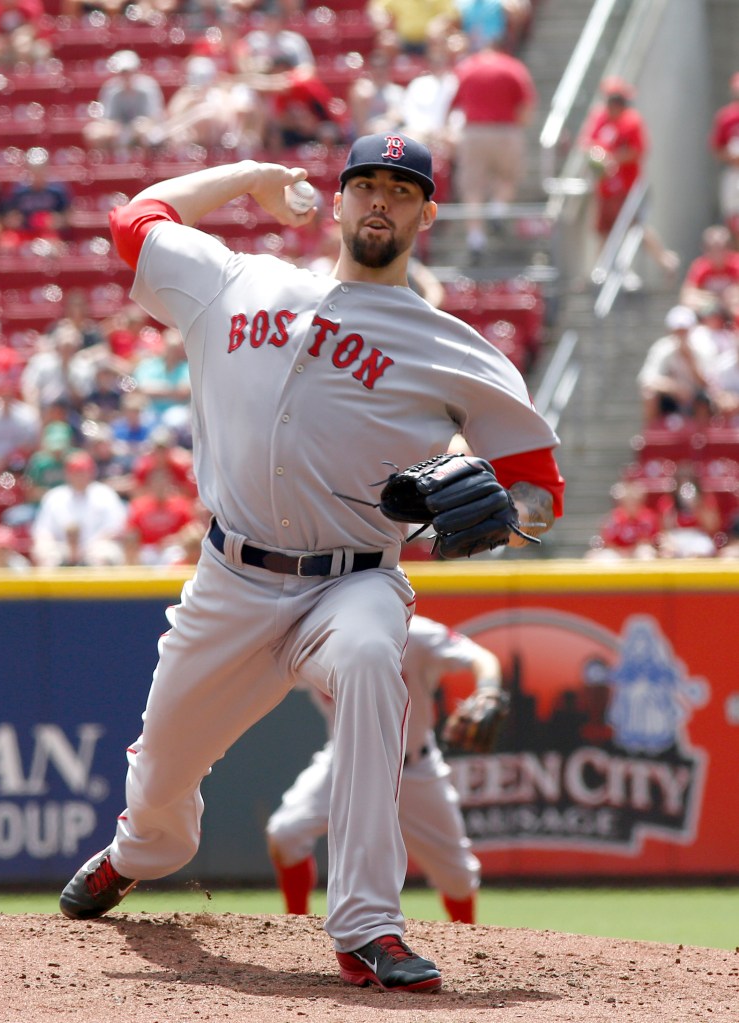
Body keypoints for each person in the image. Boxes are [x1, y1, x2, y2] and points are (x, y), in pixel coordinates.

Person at [57, 132, 563, 993]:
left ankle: (367, 926)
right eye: (365, 184)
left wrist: (495, 514)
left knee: (373, 657)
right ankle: (141, 850)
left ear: (426, 213)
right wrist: (252, 177)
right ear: (336, 202)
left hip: (355, 578)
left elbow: (541, 494)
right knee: (161, 789)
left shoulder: (452, 347)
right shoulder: (237, 279)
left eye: (401, 191)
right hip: (231, 581)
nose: (380, 201)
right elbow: (135, 219)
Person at [266, 613, 501, 923]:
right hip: (346, 763)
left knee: (457, 878)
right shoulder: (311, 637)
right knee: (285, 833)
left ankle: (474, 953)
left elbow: (482, 658)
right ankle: (295, 929)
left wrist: (487, 690)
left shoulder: (410, 631)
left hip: (413, 770)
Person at [581, 77, 679, 279]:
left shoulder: (631, 120)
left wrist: (613, 158)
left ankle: (663, 261)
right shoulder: (599, 118)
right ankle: (602, 271)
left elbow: (638, 150)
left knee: (634, 228)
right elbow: (588, 145)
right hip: (605, 187)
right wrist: (600, 159)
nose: (613, 104)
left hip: (627, 186)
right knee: (604, 230)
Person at [448, 40, 536, 263]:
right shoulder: (513, 67)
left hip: (474, 131)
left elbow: (453, 104)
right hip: (506, 130)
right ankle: (498, 209)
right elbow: (526, 107)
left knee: (472, 188)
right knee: (507, 177)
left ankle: (475, 237)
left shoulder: (467, 67)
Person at [31, 450, 128, 567]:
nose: (80, 476)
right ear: (68, 474)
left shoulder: (105, 494)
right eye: (76, 472)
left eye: (83, 472)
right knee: (44, 551)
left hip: (96, 547)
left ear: (91, 472)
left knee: (105, 553)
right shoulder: (54, 496)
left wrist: (89, 547)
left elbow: (116, 528)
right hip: (62, 548)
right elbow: (43, 531)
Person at [637, 304, 717, 427]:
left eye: (684, 330)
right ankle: (652, 437)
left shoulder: (704, 348)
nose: (681, 334)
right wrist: (674, 388)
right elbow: (646, 379)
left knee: (703, 399)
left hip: (698, 399)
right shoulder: (662, 348)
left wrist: (690, 361)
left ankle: (702, 440)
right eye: (677, 330)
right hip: (672, 400)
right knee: (649, 395)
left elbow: (709, 384)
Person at [82, 49, 165, 153]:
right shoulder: (110, 89)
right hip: (119, 130)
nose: (126, 76)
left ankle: (144, 163)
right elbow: (107, 120)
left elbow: (154, 118)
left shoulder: (149, 87)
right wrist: (118, 129)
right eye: (123, 73)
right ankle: (107, 163)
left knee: (145, 132)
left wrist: (137, 128)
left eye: (129, 72)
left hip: (142, 130)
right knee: (93, 132)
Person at [679, 224, 739, 315]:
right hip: (709, 311)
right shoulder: (700, 265)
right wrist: (709, 298)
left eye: (721, 247)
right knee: (680, 313)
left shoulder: (736, 263)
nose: (717, 253)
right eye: (711, 248)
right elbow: (686, 295)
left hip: (732, 310)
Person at [709, 71, 739, 243]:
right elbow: (716, 148)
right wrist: (732, 157)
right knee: (733, 222)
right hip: (733, 173)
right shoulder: (725, 117)